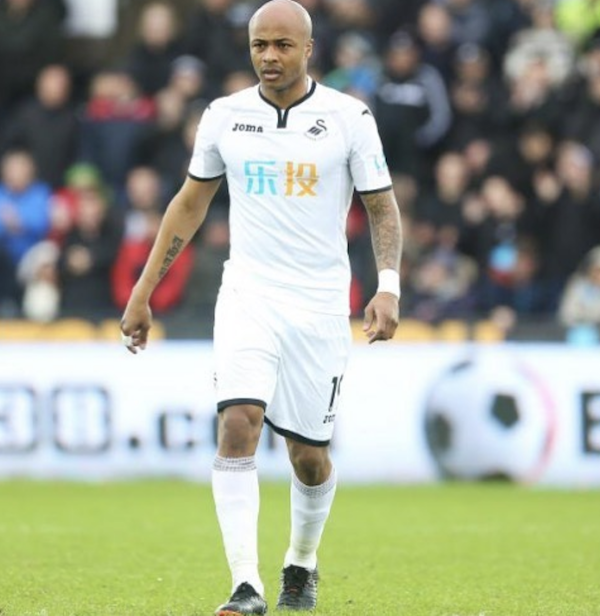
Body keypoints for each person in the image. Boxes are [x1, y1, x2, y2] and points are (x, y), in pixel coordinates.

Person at [119, 1, 402, 614]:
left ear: (309, 49)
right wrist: (142, 292)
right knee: (238, 422)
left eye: (282, 45)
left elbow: (381, 206)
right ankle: (245, 586)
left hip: (320, 303)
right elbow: (189, 203)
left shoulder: (349, 117)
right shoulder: (224, 116)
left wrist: (388, 286)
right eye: (259, 45)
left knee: (309, 456)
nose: (269, 57)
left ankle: (300, 561)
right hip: (248, 293)